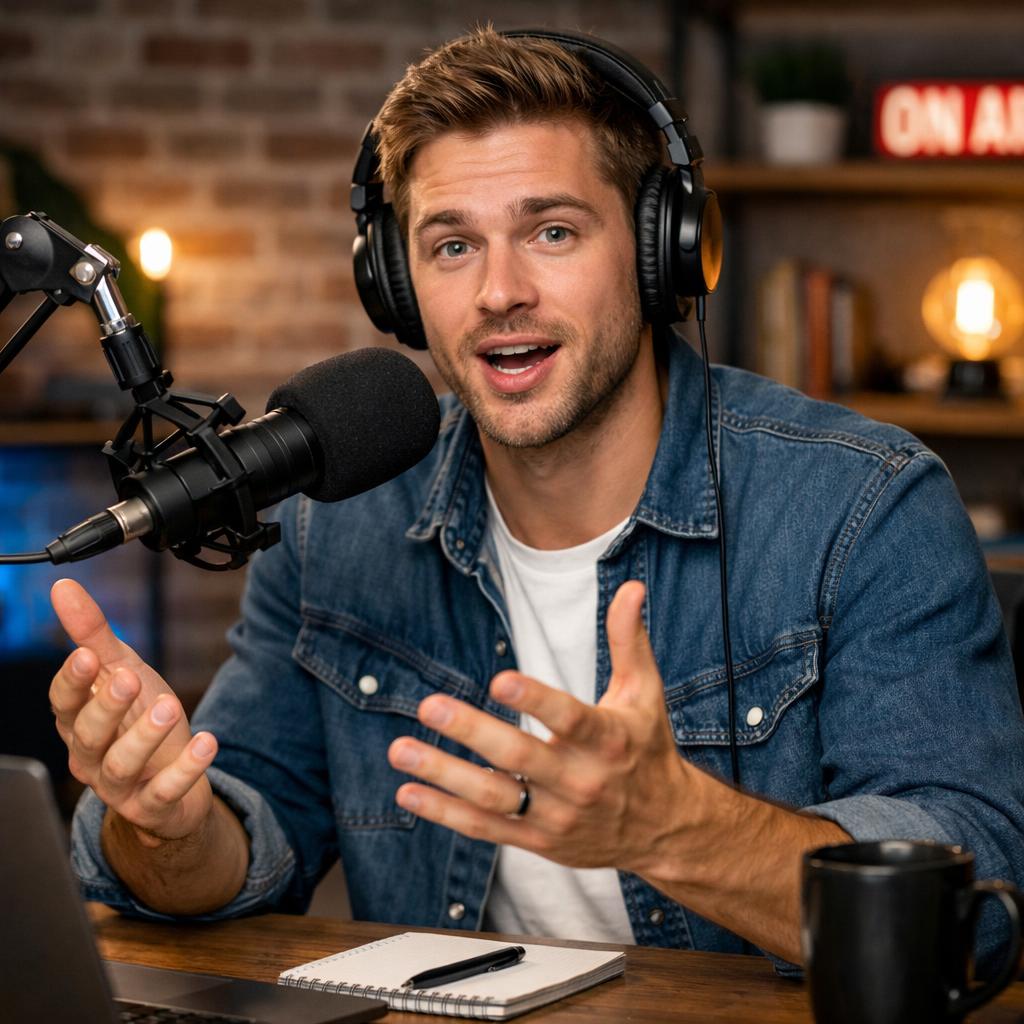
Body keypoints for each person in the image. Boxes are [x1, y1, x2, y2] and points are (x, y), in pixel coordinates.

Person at [50, 28, 1024, 970]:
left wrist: (674, 829)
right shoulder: (337, 520)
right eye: (451, 246)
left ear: (662, 252)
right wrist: (164, 825)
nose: (498, 292)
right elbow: (240, 845)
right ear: (394, 285)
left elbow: (975, 902)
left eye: (551, 231)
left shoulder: (865, 508)